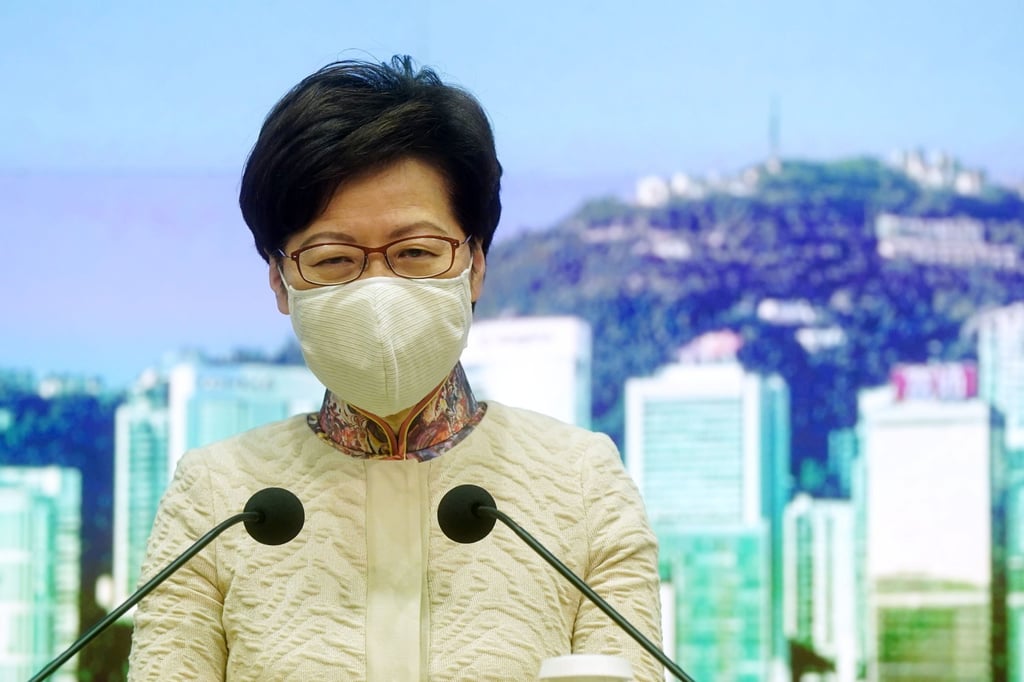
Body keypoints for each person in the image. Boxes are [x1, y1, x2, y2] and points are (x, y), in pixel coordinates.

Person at [128, 55, 663, 681]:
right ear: (279, 280)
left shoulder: (581, 483)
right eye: (334, 259)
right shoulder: (218, 497)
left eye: (415, 252)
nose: (379, 288)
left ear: (476, 265)